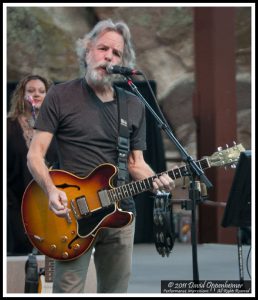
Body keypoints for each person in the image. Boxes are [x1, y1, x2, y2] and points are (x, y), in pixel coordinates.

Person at [27, 19, 175, 293]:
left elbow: (136, 163)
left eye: (116, 53)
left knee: (116, 290)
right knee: (68, 289)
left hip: (120, 212)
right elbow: (35, 155)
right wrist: (49, 190)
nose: (108, 56)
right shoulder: (60, 95)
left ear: (122, 62)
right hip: (72, 213)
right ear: (87, 51)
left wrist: (158, 179)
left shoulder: (132, 103)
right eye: (102, 48)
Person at [7, 74, 58, 255]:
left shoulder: (56, 127)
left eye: (41, 91)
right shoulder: (9, 126)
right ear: (21, 95)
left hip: (49, 202)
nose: (36, 94)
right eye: (31, 91)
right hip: (16, 206)